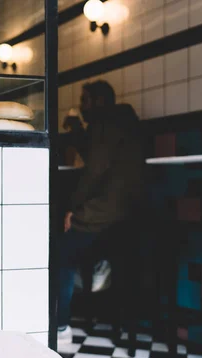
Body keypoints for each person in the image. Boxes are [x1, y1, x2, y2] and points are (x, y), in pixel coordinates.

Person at [57, 80, 145, 344]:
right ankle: (99, 260)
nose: (81, 107)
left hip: (107, 209)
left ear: (98, 102)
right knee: (82, 244)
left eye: (84, 101)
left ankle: (61, 327)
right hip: (135, 211)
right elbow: (98, 154)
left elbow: (94, 170)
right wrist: (76, 131)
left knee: (62, 253)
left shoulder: (105, 123)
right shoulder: (124, 122)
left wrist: (73, 208)